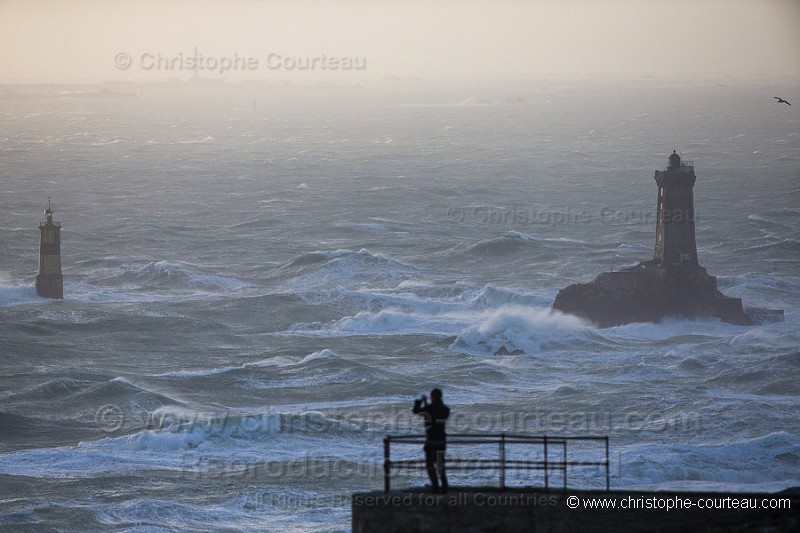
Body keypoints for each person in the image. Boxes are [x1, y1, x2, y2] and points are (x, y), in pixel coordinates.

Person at [412, 388, 450, 493]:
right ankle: (445, 488)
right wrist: (426, 403)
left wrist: (419, 402)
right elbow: (432, 412)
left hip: (431, 440)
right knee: (440, 466)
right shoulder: (446, 409)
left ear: (432, 396)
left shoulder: (428, 409)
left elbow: (416, 411)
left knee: (429, 465)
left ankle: (435, 486)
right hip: (441, 440)